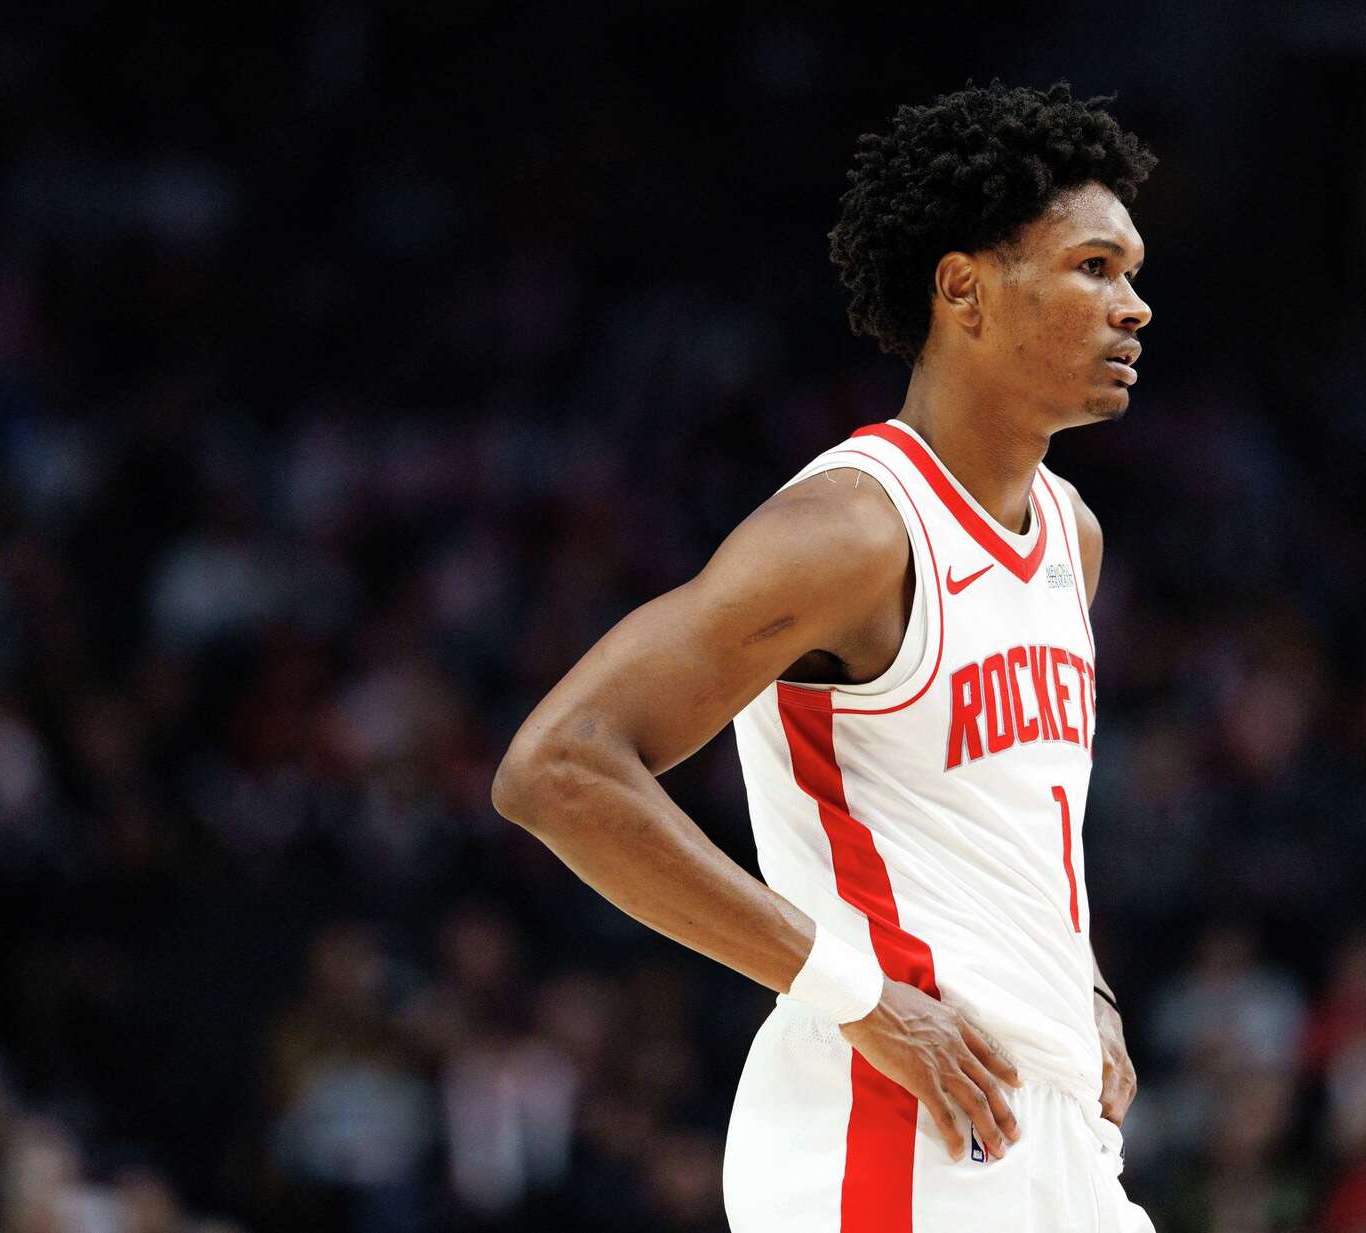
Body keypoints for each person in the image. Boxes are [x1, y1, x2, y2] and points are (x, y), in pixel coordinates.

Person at [493, 79, 1158, 1232]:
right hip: (889, 1124)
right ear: (963, 290)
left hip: (1043, 1129)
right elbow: (556, 768)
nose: (1132, 305)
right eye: (1093, 268)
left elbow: (1010, 819)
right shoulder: (854, 528)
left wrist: (1084, 986)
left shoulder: (1070, 536)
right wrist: (855, 998)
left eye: (1131, 273)